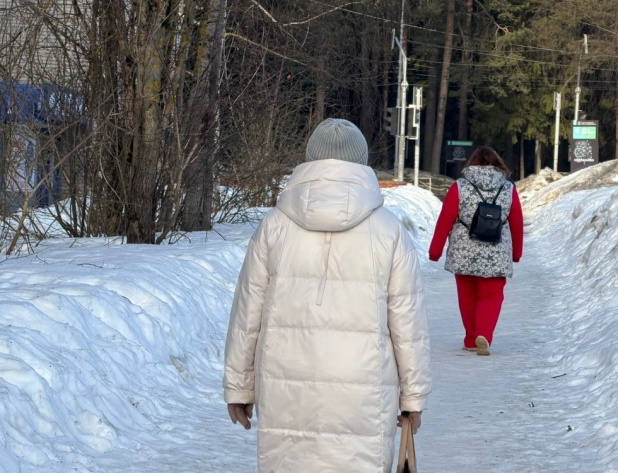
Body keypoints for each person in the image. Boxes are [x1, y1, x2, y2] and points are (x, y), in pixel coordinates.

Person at [223, 118, 431, 472]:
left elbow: (247, 313)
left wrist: (239, 387)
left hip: (286, 387)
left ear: (310, 160)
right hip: (363, 391)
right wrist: (412, 397)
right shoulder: (389, 231)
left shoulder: (274, 226)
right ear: (361, 162)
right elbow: (407, 322)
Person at [428, 147, 524, 356]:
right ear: (498, 164)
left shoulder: (460, 186)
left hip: (464, 250)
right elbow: (516, 223)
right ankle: (484, 335)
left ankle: (471, 339)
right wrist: (516, 253)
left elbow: (445, 219)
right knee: (492, 295)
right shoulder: (508, 188)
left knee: (468, 296)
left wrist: (435, 251)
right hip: (496, 251)